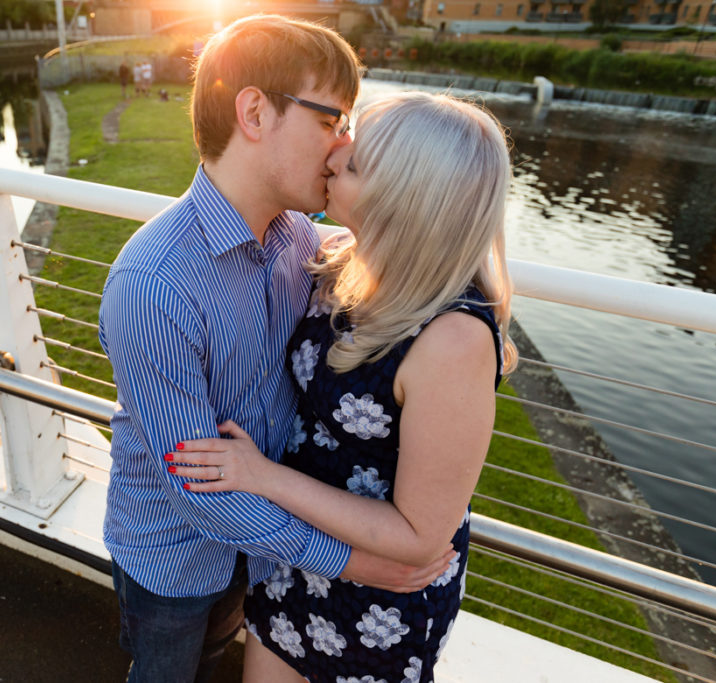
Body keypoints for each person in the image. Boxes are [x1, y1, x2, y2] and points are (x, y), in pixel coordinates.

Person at [98, 16, 453, 683]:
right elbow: (198, 492)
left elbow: (403, 249)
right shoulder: (153, 284)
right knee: (166, 672)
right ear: (255, 111)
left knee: (217, 653)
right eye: (331, 121)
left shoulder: (300, 241)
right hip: (172, 554)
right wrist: (356, 561)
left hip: (262, 552)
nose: (342, 146)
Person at [166, 91, 517, 682]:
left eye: (353, 163)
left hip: (378, 598)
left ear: (403, 200)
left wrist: (260, 475)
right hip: (292, 557)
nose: (333, 156)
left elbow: (417, 536)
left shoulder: (453, 341)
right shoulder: (340, 259)